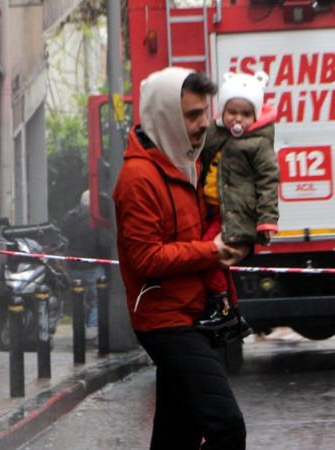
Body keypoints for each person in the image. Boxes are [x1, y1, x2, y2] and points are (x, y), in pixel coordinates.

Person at [113, 67, 249, 449]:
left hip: (195, 313)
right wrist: (211, 252)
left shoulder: (188, 161)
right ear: (165, 117)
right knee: (227, 427)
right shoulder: (138, 178)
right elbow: (145, 259)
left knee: (178, 437)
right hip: (164, 321)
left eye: (204, 112)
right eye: (192, 115)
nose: (204, 123)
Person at [197, 71, 279, 337]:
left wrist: (267, 220)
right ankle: (231, 312)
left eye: (245, 113)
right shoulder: (215, 134)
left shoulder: (258, 144)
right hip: (211, 210)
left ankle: (221, 309)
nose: (238, 119)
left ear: (255, 115)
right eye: (232, 111)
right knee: (221, 263)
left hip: (235, 215)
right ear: (223, 110)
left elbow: (268, 182)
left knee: (208, 257)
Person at [60, 190, 113, 341]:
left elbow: (64, 238)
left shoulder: (69, 217)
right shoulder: (95, 220)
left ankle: (78, 331)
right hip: (92, 265)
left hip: (73, 266)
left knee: (78, 300)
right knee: (97, 299)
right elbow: (103, 243)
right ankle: (92, 329)